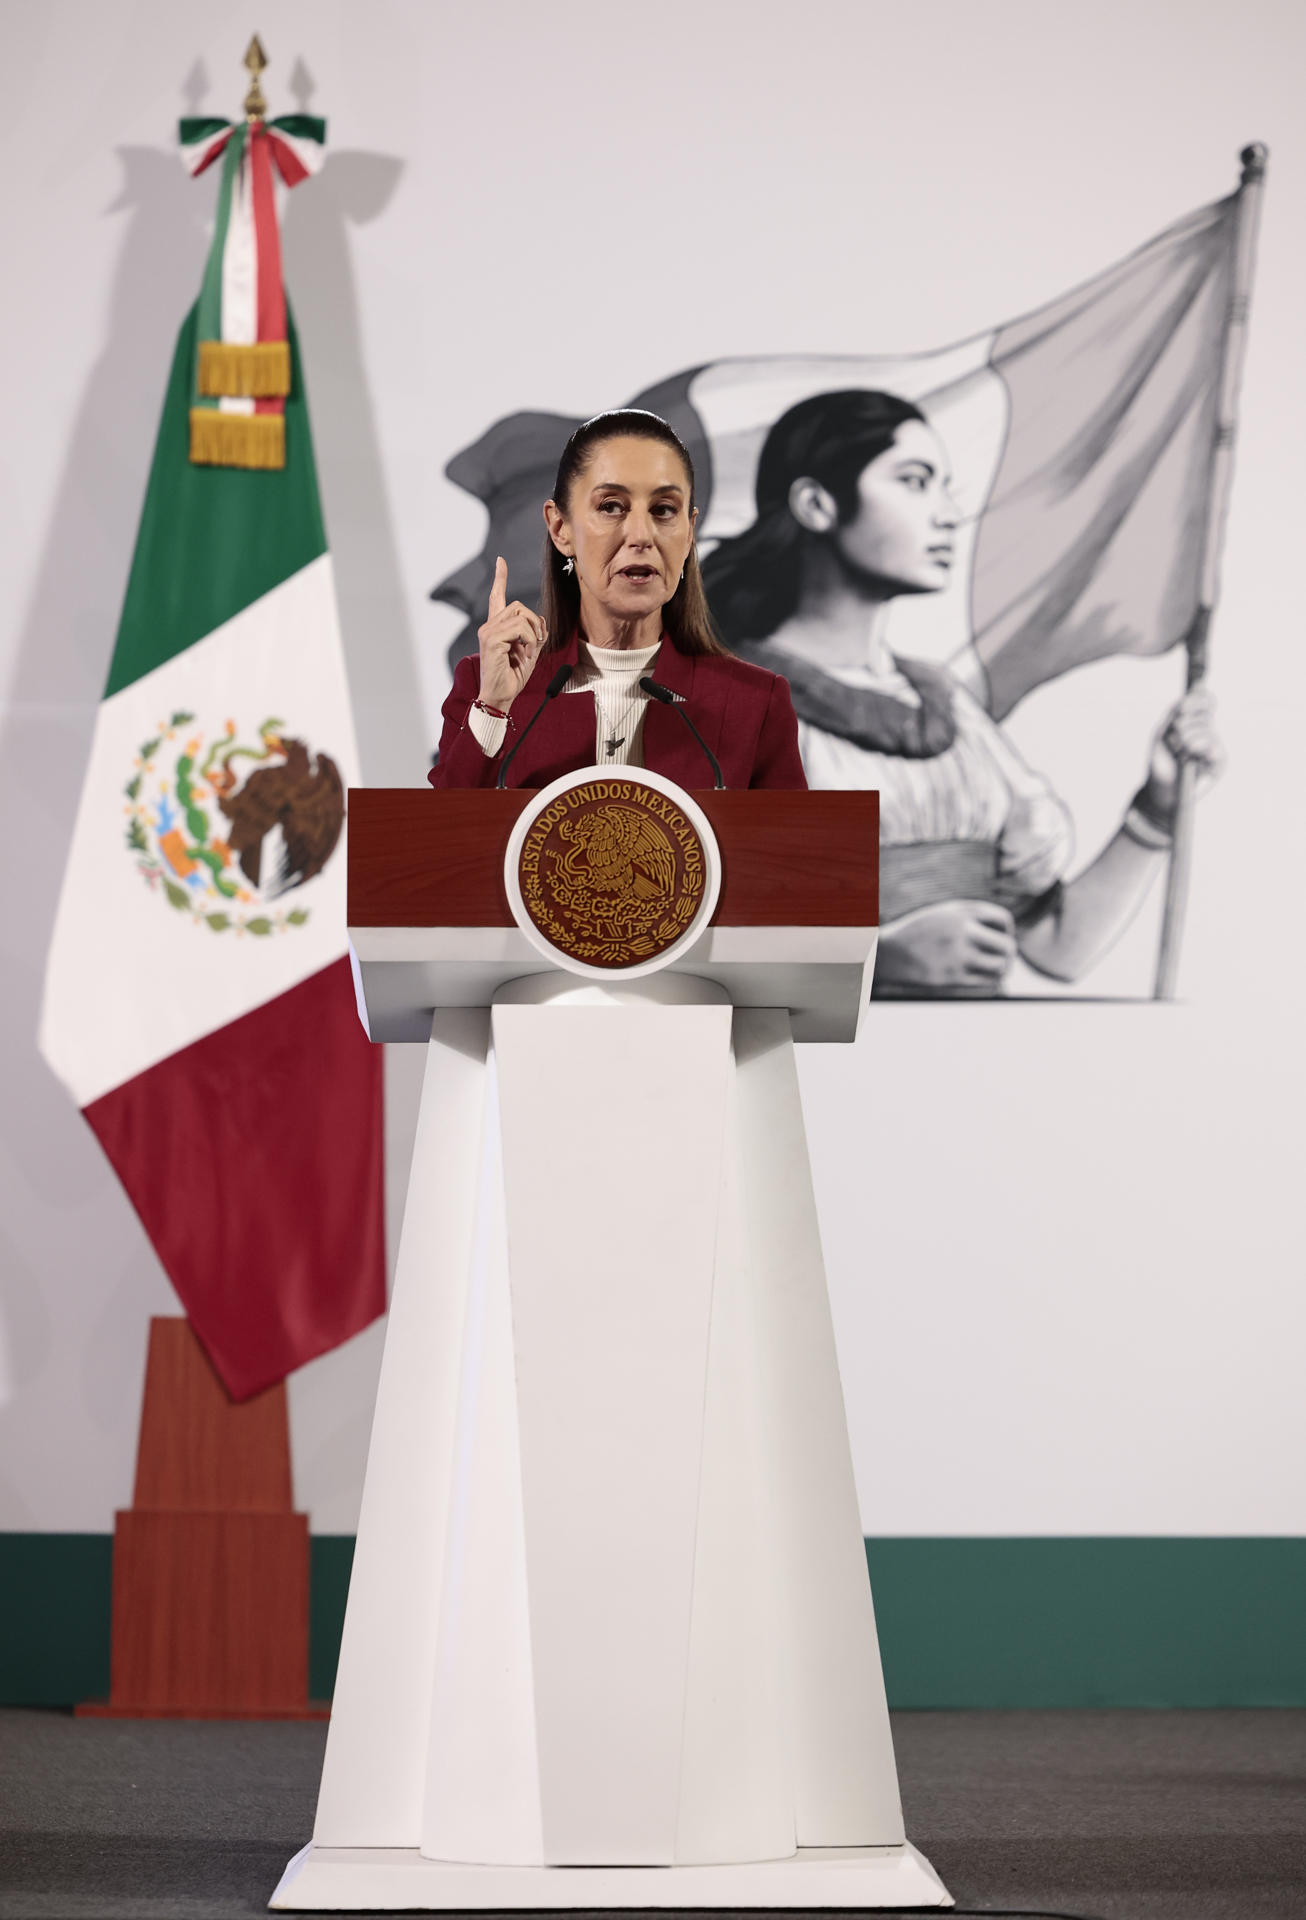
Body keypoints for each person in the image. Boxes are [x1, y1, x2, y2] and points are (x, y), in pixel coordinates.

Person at [701, 390, 1223, 995]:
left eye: (945, 486)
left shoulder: (948, 707)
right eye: (915, 481)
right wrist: (878, 961)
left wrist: (1157, 808)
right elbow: (677, 948)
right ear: (817, 504)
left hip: (977, 1070)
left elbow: (1057, 948)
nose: (948, 513)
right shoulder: (730, 705)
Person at [429, 409, 806, 792]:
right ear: (561, 529)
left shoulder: (754, 702)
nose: (641, 535)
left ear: (690, 532)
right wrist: (493, 707)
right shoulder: (485, 684)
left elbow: (793, 850)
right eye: (611, 506)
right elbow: (440, 841)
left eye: (663, 510)